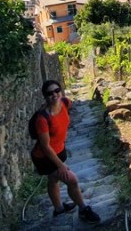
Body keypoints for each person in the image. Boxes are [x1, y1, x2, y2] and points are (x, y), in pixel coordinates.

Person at [30, 80, 101, 223]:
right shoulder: (42, 119)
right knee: (72, 180)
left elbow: (66, 111)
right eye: (49, 93)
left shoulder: (65, 102)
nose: (54, 94)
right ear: (45, 96)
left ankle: (59, 209)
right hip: (45, 157)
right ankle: (83, 209)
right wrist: (61, 166)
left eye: (56, 90)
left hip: (60, 150)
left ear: (60, 91)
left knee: (53, 179)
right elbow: (45, 147)